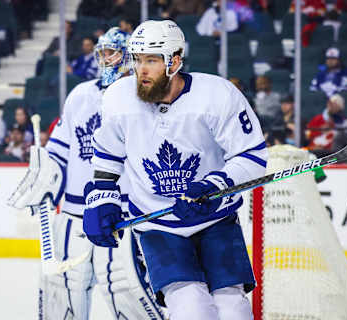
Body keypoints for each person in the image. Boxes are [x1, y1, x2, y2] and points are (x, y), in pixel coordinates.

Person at [82, 20, 267, 320]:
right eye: (138, 59)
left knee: (233, 311)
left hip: (215, 219)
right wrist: (101, 199)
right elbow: (106, 156)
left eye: (151, 61)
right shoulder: (118, 98)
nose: (141, 69)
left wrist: (215, 187)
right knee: (191, 309)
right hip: (158, 227)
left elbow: (252, 156)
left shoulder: (217, 95)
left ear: (175, 61)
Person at [7, 27, 166, 320]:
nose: (105, 59)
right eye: (101, 53)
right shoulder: (80, 95)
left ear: (129, 58)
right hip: (74, 214)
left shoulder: (145, 99)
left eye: (112, 53)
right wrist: (46, 178)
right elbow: (59, 150)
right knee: (63, 288)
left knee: (127, 290)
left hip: (121, 216)